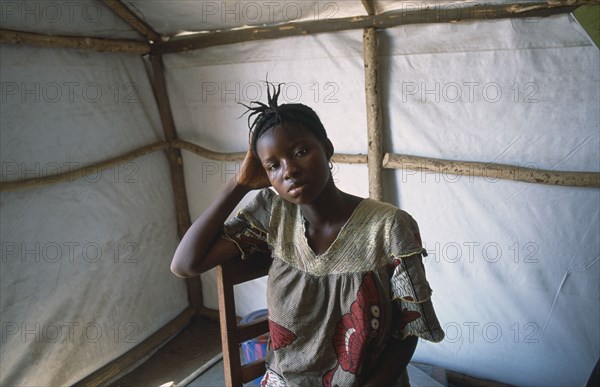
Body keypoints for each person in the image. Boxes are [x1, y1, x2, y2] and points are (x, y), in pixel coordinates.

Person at [171, 83, 444, 386]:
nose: (289, 170)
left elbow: (409, 328)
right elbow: (185, 264)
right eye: (273, 166)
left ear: (326, 149)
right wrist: (240, 184)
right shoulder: (274, 215)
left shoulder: (389, 227)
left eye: (300, 151)